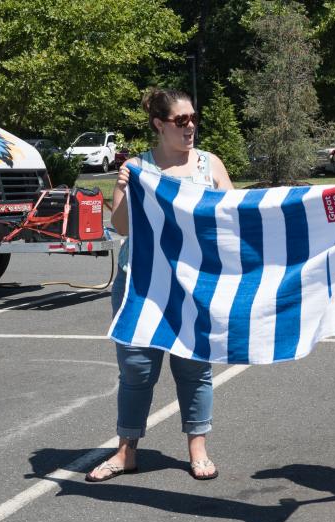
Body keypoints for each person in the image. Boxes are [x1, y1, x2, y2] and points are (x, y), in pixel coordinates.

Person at [86, 88, 233, 482]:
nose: (190, 128)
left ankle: (198, 449)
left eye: (193, 119)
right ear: (159, 124)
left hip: (195, 288)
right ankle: (125, 451)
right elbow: (121, 228)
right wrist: (123, 189)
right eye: (180, 121)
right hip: (142, 287)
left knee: (194, 369)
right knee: (136, 371)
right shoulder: (138, 168)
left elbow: (235, 219)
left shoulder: (209, 165)